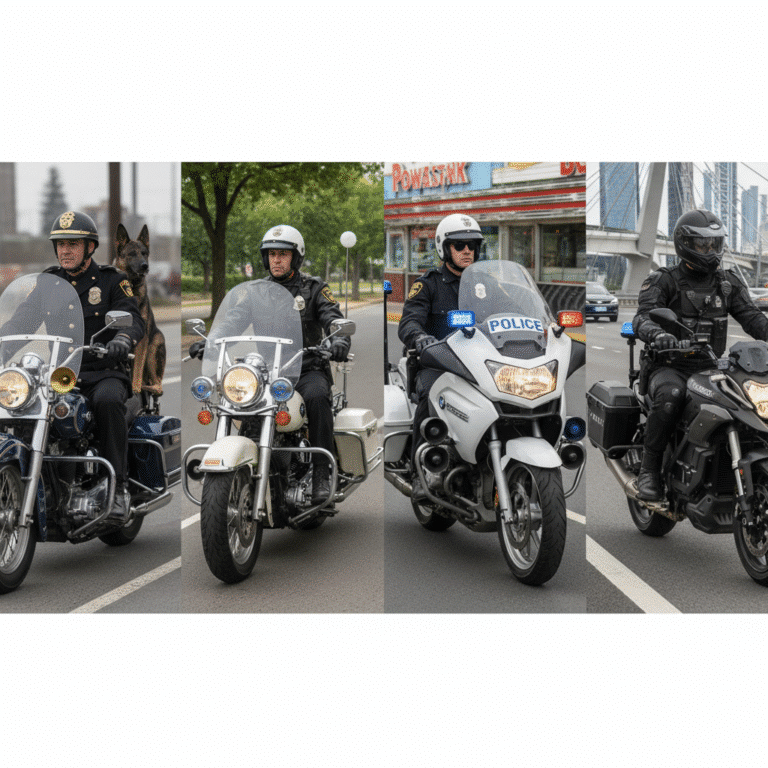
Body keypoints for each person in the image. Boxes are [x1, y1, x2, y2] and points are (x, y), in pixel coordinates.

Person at [190, 224, 349, 506]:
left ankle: (322, 475)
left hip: (305, 368)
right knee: (240, 401)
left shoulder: (314, 289)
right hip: (265, 372)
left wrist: (339, 342)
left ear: (295, 258)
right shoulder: (255, 293)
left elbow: (332, 317)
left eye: (283, 255)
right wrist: (210, 341)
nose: (276, 260)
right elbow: (232, 322)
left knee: (316, 397)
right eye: (272, 254)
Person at [633, 209, 768, 500]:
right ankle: (649, 470)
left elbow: (753, 318)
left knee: (749, 401)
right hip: (669, 366)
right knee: (671, 396)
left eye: (715, 244)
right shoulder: (664, 280)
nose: (711, 251)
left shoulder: (728, 283)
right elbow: (642, 317)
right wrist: (659, 335)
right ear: (685, 245)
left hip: (712, 367)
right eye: (703, 245)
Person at [46, 211, 145, 520]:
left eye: (73, 244)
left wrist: (123, 340)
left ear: (89, 248)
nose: (65, 251)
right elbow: (21, 318)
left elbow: (134, 319)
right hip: (62, 374)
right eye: (60, 245)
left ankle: (117, 488)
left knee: (106, 402)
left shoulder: (111, 280)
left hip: (103, 371)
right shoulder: (48, 282)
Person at [397, 213, 483, 501]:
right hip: (439, 363)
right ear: (445, 249)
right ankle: (422, 471)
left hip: (480, 365)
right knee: (430, 397)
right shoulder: (429, 284)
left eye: (472, 244)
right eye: (459, 245)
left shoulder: (486, 284)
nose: (467, 250)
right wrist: (420, 337)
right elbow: (408, 321)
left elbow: (513, 310)